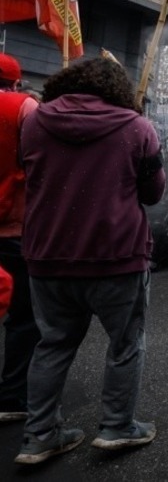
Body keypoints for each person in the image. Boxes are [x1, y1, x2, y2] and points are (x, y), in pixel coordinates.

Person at [15, 57, 165, 464]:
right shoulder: (138, 129)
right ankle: (118, 427)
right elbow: (153, 193)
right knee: (125, 344)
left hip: (48, 256)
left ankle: (39, 435)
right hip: (117, 258)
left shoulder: (33, 123)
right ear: (117, 89)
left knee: (52, 344)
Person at [0, 53, 40, 423]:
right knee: (22, 317)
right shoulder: (24, 107)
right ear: (15, 81)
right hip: (13, 228)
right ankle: (12, 398)